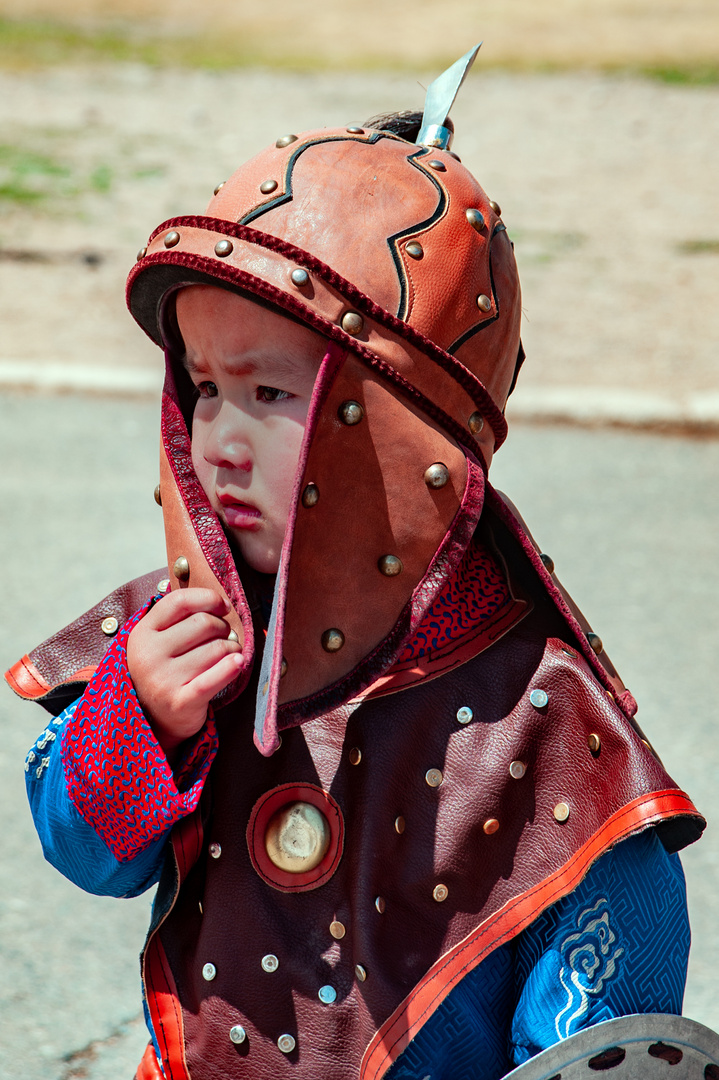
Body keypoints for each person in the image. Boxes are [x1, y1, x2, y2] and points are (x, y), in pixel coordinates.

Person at [9, 49, 704, 1080]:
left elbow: (602, 1029)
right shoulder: (182, 634)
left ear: (396, 429)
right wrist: (143, 721)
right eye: (203, 388)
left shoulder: (546, 715)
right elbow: (93, 858)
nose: (221, 439)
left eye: (272, 394)